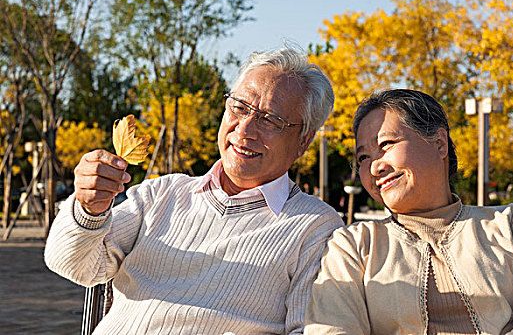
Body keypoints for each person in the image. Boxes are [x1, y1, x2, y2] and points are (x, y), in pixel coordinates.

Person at [44, 45, 344, 334]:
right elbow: (73, 265)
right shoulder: (161, 194)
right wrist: (88, 208)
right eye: (240, 108)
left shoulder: (316, 228)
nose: (244, 129)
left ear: (304, 140)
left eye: (270, 120)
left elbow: (308, 330)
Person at [305, 89, 513, 334]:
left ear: (439, 144)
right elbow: (332, 329)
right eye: (363, 158)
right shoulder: (354, 246)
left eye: (385, 144)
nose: (375, 167)